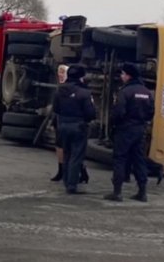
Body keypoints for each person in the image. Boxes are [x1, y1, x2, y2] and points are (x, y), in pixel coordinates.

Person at [104, 63, 155, 202]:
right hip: (140, 129)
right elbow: (151, 112)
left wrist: (115, 123)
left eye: (122, 74)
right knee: (139, 159)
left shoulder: (125, 92)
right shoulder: (146, 92)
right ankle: (142, 191)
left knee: (120, 158)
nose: (121, 76)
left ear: (128, 75)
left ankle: (117, 192)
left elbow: (119, 112)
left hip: (125, 129)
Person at [52, 65, 96, 194]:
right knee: (76, 156)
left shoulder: (60, 91)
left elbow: (56, 109)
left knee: (66, 154)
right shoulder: (84, 92)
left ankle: (66, 181)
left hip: (63, 125)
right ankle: (72, 185)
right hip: (78, 126)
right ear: (81, 77)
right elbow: (90, 113)